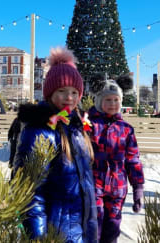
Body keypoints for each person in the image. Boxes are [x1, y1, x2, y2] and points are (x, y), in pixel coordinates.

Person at [13, 47, 97, 242]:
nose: (69, 97)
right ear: (49, 93)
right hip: (53, 233)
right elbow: (30, 192)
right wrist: (38, 236)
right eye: (62, 91)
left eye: (74, 92)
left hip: (80, 231)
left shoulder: (77, 129)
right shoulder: (40, 131)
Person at [88, 75, 145, 243]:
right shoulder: (90, 125)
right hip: (94, 185)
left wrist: (138, 188)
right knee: (94, 226)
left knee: (112, 228)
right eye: (108, 100)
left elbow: (133, 160)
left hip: (117, 188)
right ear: (99, 101)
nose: (113, 104)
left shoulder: (126, 129)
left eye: (116, 100)